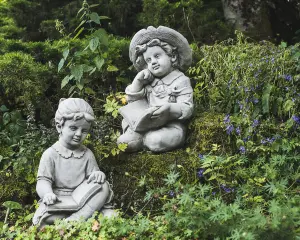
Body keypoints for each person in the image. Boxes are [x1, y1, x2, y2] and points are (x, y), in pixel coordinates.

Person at [33, 98, 114, 227]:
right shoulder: (50, 154)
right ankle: (81, 219)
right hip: (60, 201)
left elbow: (93, 178)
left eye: (84, 131)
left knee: (103, 186)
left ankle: (76, 219)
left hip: (84, 199)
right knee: (45, 218)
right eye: (73, 128)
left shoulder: (87, 154)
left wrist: (98, 175)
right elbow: (43, 181)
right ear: (59, 126)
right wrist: (48, 194)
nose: (78, 134)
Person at [117, 26, 193, 152]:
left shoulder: (181, 80)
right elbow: (133, 101)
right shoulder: (149, 80)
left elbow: (187, 107)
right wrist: (138, 81)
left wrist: (170, 109)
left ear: (172, 56)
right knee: (124, 137)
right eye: (148, 60)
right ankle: (139, 138)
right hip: (146, 125)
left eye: (157, 56)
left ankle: (143, 141)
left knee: (156, 140)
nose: (153, 62)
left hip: (171, 126)